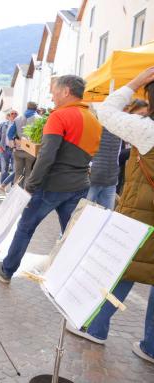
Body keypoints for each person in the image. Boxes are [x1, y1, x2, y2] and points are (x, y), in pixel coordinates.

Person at [66, 67, 154, 365]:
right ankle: (152, 346)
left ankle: (96, 325)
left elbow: (106, 110)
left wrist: (135, 82)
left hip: (144, 217)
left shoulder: (147, 130)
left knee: (123, 270)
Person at [0, 75, 102, 283]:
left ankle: (7, 270)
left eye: (54, 91)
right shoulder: (94, 120)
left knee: (25, 226)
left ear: (66, 91)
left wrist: (30, 185)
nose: (52, 95)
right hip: (79, 184)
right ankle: (74, 278)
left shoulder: (59, 116)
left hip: (52, 185)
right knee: (71, 234)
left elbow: (47, 155)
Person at [86, 123, 121, 210]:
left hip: (111, 180)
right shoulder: (95, 124)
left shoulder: (120, 130)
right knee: (82, 212)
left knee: (105, 215)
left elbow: (117, 155)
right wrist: (88, 165)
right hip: (93, 178)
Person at [117, 100, 149, 195]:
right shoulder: (120, 130)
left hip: (136, 183)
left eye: (146, 115)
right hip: (117, 178)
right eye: (141, 114)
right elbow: (118, 156)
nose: (143, 119)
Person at [8, 101, 40, 187]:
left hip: (18, 150)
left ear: (27, 107)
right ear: (36, 108)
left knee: (18, 173)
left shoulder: (18, 119)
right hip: (31, 151)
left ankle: (15, 195)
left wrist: (14, 140)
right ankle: (24, 197)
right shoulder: (39, 119)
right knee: (28, 174)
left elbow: (10, 134)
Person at [0, 111, 17, 185]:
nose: (13, 115)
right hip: (4, 149)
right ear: (9, 115)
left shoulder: (18, 124)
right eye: (12, 113)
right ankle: (3, 186)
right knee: (4, 169)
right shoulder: (3, 124)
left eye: (15, 114)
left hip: (15, 150)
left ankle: (13, 187)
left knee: (15, 169)